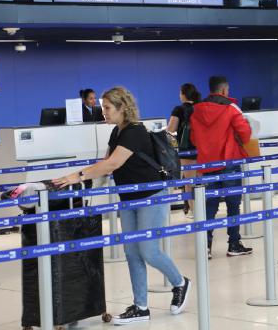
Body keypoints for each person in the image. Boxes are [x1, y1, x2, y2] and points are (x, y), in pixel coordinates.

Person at [54, 87, 190, 325]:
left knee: (149, 250)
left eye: (107, 107)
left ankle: (180, 283)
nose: (102, 111)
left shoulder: (135, 132)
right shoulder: (117, 132)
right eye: (102, 107)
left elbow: (112, 163)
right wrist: (86, 191)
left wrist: (76, 176)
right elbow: (107, 163)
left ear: (122, 109)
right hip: (128, 198)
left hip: (152, 195)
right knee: (131, 252)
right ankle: (140, 306)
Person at [190, 76, 253, 259]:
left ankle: (206, 247)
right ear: (225, 90)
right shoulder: (231, 108)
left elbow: (194, 139)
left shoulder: (196, 111)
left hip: (207, 164)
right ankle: (234, 243)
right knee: (233, 204)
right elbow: (246, 134)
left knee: (210, 206)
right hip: (229, 163)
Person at [167, 83, 201, 217]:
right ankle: (203, 209)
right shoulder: (201, 107)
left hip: (187, 150)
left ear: (183, 94)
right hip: (203, 149)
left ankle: (195, 211)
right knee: (201, 182)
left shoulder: (179, 109)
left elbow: (171, 129)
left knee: (189, 182)